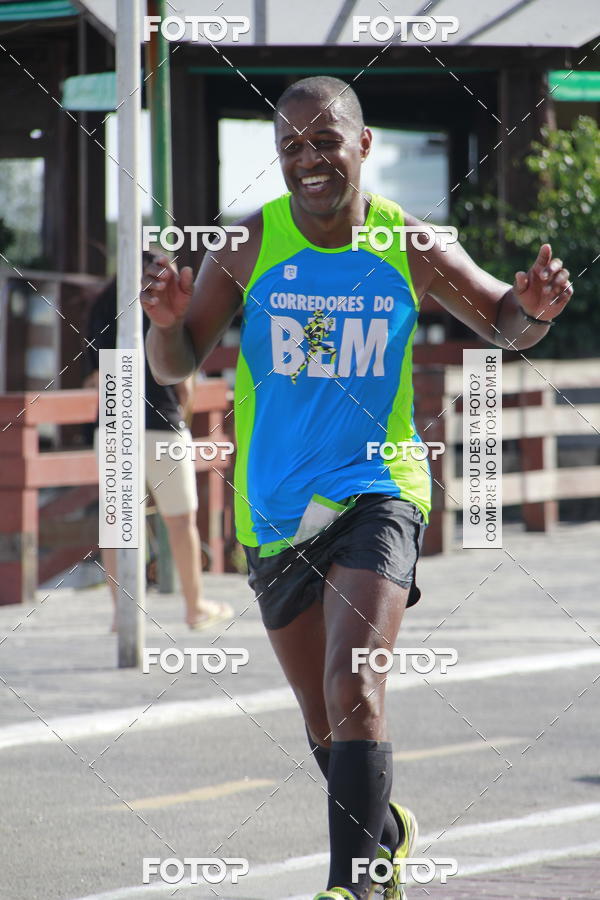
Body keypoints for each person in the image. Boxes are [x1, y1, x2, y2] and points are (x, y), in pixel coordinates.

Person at [140, 77, 572, 900]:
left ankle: (356, 884)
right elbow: (176, 362)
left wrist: (533, 309)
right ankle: (388, 834)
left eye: (325, 140)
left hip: (381, 485)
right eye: (291, 145)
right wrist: (165, 325)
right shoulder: (248, 244)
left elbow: (501, 318)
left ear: (363, 144)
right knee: (323, 718)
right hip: (276, 507)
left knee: (355, 684)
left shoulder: (407, 243)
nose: (308, 158)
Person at [84, 259, 233, 631]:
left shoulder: (102, 303)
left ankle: (122, 613)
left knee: (119, 524)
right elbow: (184, 377)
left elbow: (95, 374)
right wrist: (184, 409)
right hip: (162, 419)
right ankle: (195, 606)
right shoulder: (165, 300)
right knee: (181, 519)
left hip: (114, 420)